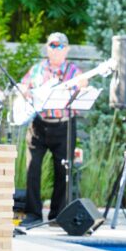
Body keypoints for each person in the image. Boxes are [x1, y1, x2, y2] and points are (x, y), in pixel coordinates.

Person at [18, 32, 85, 227]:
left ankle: (57, 215)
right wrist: (23, 90)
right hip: (39, 124)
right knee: (32, 169)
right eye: (52, 46)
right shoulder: (37, 69)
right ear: (47, 48)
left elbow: (84, 89)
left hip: (64, 125)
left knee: (63, 170)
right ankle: (33, 214)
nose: (56, 50)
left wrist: (82, 86)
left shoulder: (75, 71)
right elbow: (24, 86)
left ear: (67, 49)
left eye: (60, 46)